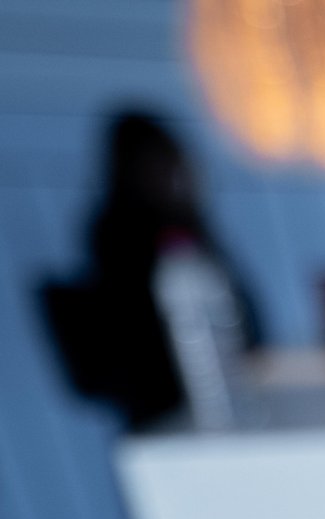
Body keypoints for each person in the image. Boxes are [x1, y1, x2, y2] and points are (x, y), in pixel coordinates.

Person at [42, 111, 262, 429]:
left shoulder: (187, 225)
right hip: (166, 400)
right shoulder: (122, 232)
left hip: (219, 386)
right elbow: (138, 329)